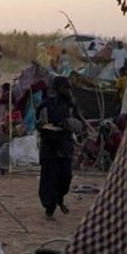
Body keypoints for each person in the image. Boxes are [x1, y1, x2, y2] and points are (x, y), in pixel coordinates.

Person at [36, 76, 86, 217]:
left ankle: (60, 198)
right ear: (57, 88)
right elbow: (38, 122)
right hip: (49, 147)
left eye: (68, 87)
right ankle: (49, 207)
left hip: (65, 147)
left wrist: (68, 123)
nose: (67, 90)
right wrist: (41, 125)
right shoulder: (46, 104)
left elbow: (80, 125)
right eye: (65, 87)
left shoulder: (71, 106)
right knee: (49, 178)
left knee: (66, 176)